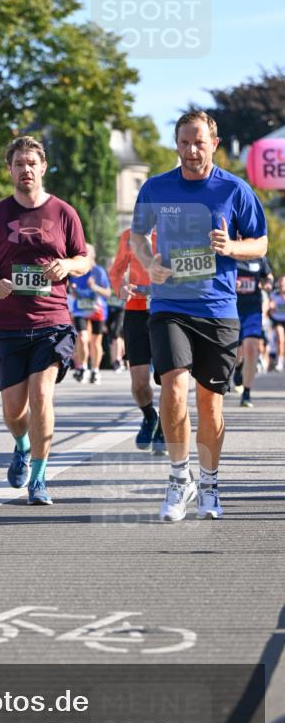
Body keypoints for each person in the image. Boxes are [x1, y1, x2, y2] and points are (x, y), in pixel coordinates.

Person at [131, 110, 268, 523]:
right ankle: (178, 478)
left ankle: (208, 480)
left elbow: (260, 245)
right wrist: (147, 261)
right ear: (176, 144)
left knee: (210, 405)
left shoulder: (234, 189)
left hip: (218, 308)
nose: (192, 150)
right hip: (170, 306)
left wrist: (231, 247)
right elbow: (138, 235)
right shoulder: (157, 188)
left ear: (214, 143)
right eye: (185, 142)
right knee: (172, 389)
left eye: (199, 142)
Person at [0, 136, 89, 505]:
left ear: (43, 167)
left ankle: (39, 479)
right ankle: (22, 445)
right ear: (10, 169)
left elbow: (83, 259)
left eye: (32, 163)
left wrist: (68, 265)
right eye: (19, 164)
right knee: (14, 410)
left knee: (42, 396)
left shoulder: (63, 213)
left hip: (52, 322)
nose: (26, 169)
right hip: (8, 324)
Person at [109, 227, 166, 453]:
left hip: (168, 310)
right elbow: (116, 272)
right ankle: (150, 416)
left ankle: (164, 426)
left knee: (169, 380)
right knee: (140, 383)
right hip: (136, 311)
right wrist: (120, 288)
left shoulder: (175, 231)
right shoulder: (129, 236)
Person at [232, 256, 273, 407]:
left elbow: (268, 276)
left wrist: (268, 283)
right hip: (231, 309)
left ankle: (246, 393)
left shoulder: (259, 257)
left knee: (251, 349)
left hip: (252, 312)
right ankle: (237, 368)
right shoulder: (229, 253)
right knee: (236, 352)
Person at [69, 244, 111, 384]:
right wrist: (72, 291)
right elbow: (70, 289)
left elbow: (108, 293)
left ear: (92, 255)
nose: (83, 255)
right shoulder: (75, 272)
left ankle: (95, 370)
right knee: (81, 338)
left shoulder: (98, 272)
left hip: (97, 310)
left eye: (86, 253)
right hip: (80, 309)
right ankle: (83, 367)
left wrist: (94, 287)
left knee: (95, 341)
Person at [268, 275, 285, 372]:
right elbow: (270, 310)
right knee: (280, 339)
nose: (283, 284)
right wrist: (271, 308)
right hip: (278, 320)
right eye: (281, 282)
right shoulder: (274, 295)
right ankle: (279, 361)